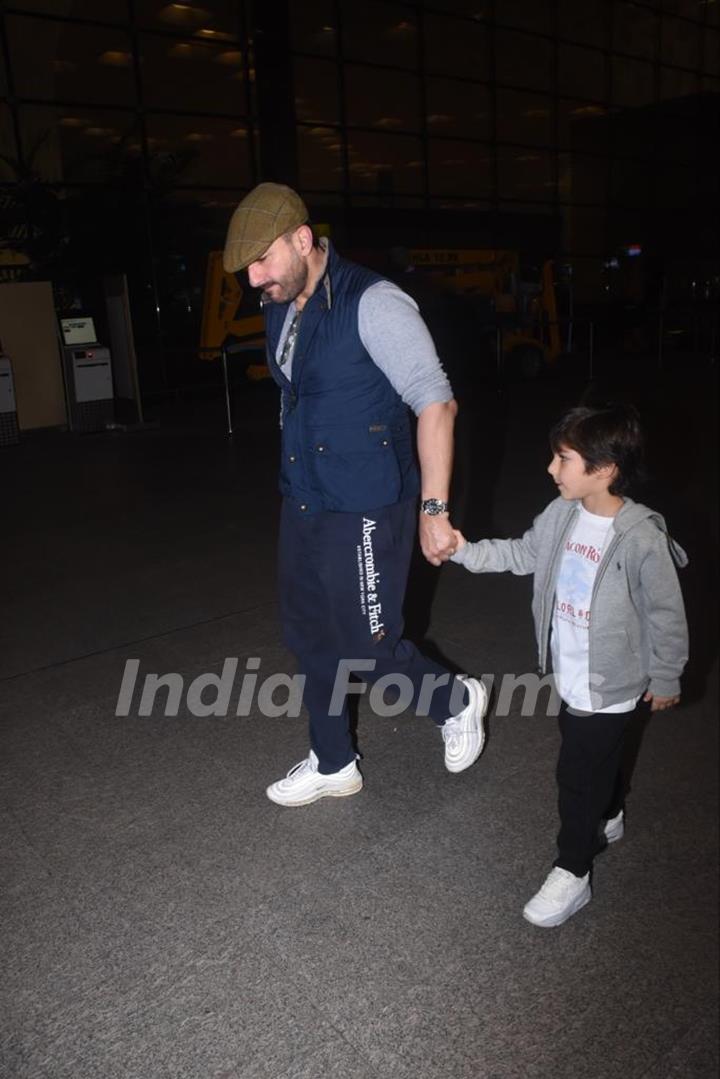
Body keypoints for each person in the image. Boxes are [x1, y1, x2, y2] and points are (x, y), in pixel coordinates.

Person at [222, 182, 488, 806]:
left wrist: (434, 509)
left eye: (263, 260)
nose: (255, 279)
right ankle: (333, 759)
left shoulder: (377, 303)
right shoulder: (279, 303)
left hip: (369, 500)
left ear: (304, 239)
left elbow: (436, 403)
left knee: (368, 648)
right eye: (246, 269)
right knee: (309, 633)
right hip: (307, 497)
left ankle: (454, 698)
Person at [450, 403, 688, 926]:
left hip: (616, 681)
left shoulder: (640, 537)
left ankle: (573, 869)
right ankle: (610, 812)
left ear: (603, 470)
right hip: (570, 674)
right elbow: (520, 555)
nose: (551, 470)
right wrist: (461, 549)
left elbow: (666, 614)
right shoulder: (561, 515)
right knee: (595, 756)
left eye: (563, 459)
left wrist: (667, 675)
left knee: (576, 773)